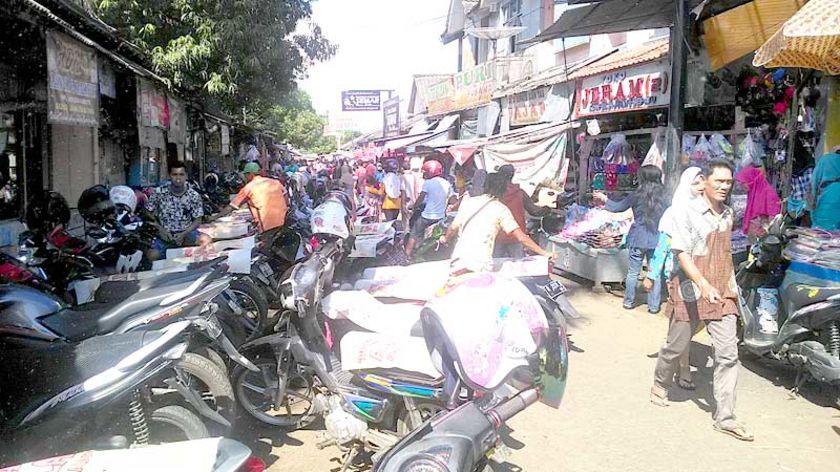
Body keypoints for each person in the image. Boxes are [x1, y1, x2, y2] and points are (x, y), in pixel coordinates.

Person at [650, 159, 753, 442]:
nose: (724, 187)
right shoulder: (685, 211)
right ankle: (660, 383)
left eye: (728, 182)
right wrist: (703, 284)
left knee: (728, 354)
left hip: (723, 288)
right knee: (676, 345)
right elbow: (681, 253)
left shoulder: (728, 213)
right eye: (718, 181)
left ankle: (725, 417)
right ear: (704, 182)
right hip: (690, 288)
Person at [643, 166, 703, 390]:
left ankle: (672, 347)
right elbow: (662, 248)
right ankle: (683, 368)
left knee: (691, 321)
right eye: (696, 183)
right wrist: (651, 275)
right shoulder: (674, 212)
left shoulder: (710, 211)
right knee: (686, 320)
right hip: (679, 276)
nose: (701, 188)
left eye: (702, 183)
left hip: (704, 276)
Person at [440, 172, 554, 275]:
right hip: (481, 264)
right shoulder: (501, 208)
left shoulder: (468, 202)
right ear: (503, 190)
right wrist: (544, 253)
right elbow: (521, 237)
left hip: (459, 260)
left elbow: (453, 227)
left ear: (485, 186)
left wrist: (445, 239)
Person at [594, 165, 669, 314]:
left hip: (638, 237)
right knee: (654, 273)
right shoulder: (666, 197)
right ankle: (654, 306)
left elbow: (617, 207)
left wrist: (604, 199)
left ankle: (628, 302)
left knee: (633, 272)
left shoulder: (636, 195)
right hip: (658, 238)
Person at [145, 163, 206, 260]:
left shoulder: (194, 195)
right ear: (169, 175)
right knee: (152, 255)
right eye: (175, 174)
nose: (178, 178)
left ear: (186, 176)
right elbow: (147, 212)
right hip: (164, 235)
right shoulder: (159, 192)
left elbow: (197, 220)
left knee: (205, 241)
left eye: (181, 174)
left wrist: (184, 234)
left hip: (187, 232)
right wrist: (160, 229)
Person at [211, 162, 288, 234]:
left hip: (267, 227)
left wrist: (215, 217)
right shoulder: (275, 182)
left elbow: (231, 207)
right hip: (284, 223)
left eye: (245, 175)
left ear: (250, 174)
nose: (245, 177)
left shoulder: (248, 188)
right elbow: (286, 199)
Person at [494, 164, 550, 258]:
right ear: (512, 175)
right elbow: (534, 211)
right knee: (518, 267)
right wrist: (548, 209)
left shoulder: (494, 194)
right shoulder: (520, 192)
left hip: (498, 236)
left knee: (495, 268)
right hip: (517, 236)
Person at [405, 160, 453, 258]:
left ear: (430, 171)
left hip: (427, 216)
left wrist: (414, 207)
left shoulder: (428, 183)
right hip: (440, 217)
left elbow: (421, 198)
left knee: (413, 233)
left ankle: (406, 256)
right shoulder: (446, 183)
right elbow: (452, 199)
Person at [735, 165, 781, 240]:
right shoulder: (753, 191)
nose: (742, 186)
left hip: (763, 236)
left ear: (751, 180)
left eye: (744, 183)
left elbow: (774, 218)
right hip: (754, 234)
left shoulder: (768, 192)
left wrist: (765, 232)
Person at [811, 146, 840, 230]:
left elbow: (814, 183)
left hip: (828, 198)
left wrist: (812, 207)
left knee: (824, 234)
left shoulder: (825, 160)